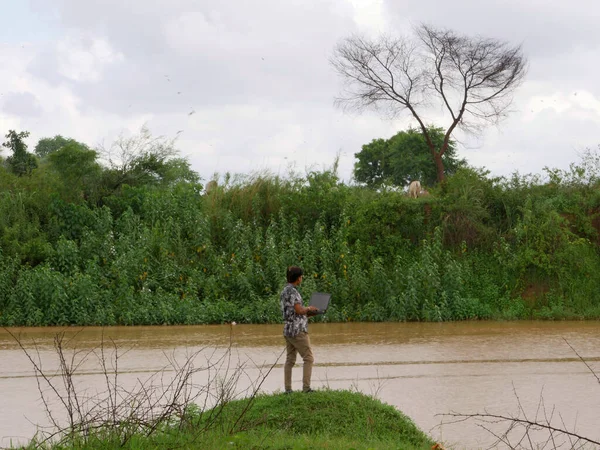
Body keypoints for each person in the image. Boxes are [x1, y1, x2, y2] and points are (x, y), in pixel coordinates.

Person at [280, 266, 319, 393]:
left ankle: (288, 389)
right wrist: (308, 309)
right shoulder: (294, 292)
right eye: (301, 277)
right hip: (298, 331)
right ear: (298, 278)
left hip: (288, 329)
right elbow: (299, 310)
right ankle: (306, 388)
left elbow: (293, 313)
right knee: (309, 358)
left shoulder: (285, 291)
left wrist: (309, 313)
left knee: (290, 360)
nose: (302, 279)